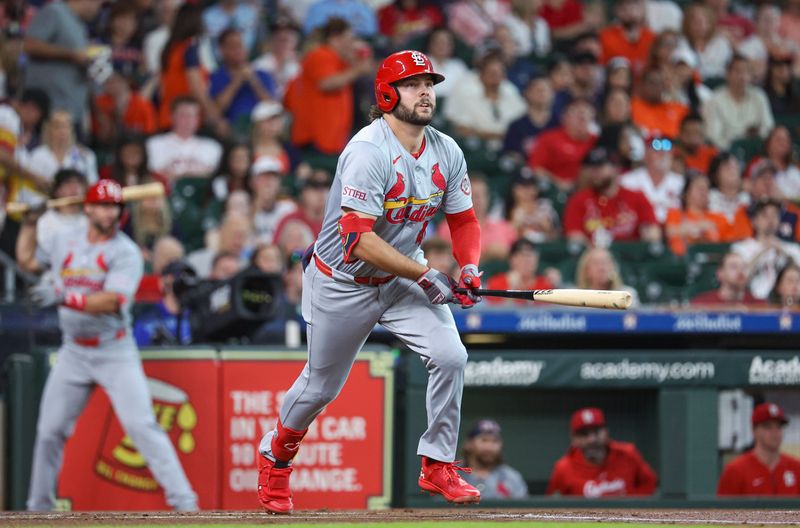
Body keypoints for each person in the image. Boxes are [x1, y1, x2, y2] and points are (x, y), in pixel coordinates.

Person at [256, 50, 484, 514]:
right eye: (413, 83)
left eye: (429, 83)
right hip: (342, 280)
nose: (425, 91)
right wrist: (425, 273)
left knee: (450, 355)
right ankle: (275, 455)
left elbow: (464, 221)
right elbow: (358, 241)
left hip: (401, 278)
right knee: (321, 387)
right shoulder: (367, 150)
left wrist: (470, 268)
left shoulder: (446, 150)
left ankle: (437, 463)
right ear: (386, 94)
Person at [16, 179, 198, 511]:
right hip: (74, 350)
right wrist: (30, 223)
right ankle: (38, 508)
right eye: (101, 205)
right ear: (87, 208)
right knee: (49, 430)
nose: (109, 212)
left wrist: (63, 295)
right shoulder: (64, 240)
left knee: (141, 425)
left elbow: (113, 301)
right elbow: (28, 260)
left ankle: (185, 502)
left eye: (114, 206)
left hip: (113, 349)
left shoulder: (125, 251)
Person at [286, 18, 372, 155]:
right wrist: (358, 69)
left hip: (332, 139)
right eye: (348, 38)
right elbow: (326, 83)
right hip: (315, 139)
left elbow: (367, 70)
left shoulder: (338, 60)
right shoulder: (321, 54)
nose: (352, 43)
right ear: (335, 39)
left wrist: (360, 57)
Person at [23, 0, 102, 129]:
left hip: (70, 111)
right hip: (48, 108)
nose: (98, 10)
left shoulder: (79, 25)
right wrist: (71, 55)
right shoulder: (55, 11)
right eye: (98, 4)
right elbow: (30, 45)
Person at [547, 407, 657, 497]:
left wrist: (632, 507)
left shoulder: (628, 454)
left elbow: (649, 482)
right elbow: (552, 505)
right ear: (573, 439)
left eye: (596, 431)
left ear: (607, 432)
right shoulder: (563, 468)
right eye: (584, 434)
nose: (592, 439)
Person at [564, 146, 660, 244]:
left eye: (600, 167)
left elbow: (653, 232)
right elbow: (574, 235)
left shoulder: (636, 197)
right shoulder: (579, 199)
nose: (595, 173)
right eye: (593, 168)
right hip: (594, 255)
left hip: (630, 255)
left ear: (616, 168)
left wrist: (648, 234)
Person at [443, 49, 526, 144]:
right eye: (492, 73)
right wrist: (497, 135)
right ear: (481, 74)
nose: (495, 77)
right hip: (478, 147)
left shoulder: (510, 90)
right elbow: (461, 129)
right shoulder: (466, 91)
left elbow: (524, 119)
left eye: (499, 72)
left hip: (511, 145)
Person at [718, 403, 800, 495]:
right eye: (767, 427)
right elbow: (722, 508)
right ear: (754, 430)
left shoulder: (796, 467)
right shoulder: (736, 470)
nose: (775, 432)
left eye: (779, 427)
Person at [703, 54, 775, 151]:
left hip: (757, 150)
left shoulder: (759, 96)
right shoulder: (714, 100)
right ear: (727, 74)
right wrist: (738, 143)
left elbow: (768, 127)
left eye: (747, 72)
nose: (743, 76)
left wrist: (757, 137)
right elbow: (713, 136)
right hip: (726, 152)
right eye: (738, 71)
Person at [732, 199, 800, 300]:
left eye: (774, 215)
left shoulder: (792, 248)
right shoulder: (741, 248)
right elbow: (738, 278)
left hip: (786, 302)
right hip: (752, 301)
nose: (770, 220)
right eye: (765, 215)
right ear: (754, 220)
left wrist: (784, 253)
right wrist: (763, 251)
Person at [146, 97, 223, 184]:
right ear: (171, 117)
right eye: (183, 115)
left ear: (198, 119)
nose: (188, 120)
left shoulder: (212, 146)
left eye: (192, 115)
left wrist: (178, 175)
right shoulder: (155, 144)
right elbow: (155, 176)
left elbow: (211, 177)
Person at [210, 29, 275, 128]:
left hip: (261, 129)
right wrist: (237, 81)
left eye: (241, 45)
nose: (239, 49)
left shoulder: (262, 74)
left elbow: (272, 107)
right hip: (232, 130)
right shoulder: (216, 76)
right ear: (222, 50)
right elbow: (216, 110)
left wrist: (253, 80)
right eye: (233, 46)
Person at [527, 98, 598, 191]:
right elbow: (535, 168)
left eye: (586, 115)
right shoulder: (549, 138)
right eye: (578, 115)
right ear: (565, 117)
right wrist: (558, 182)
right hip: (554, 191)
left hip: (588, 192)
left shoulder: (596, 141)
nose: (583, 118)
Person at [665, 171, 733, 256]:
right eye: (699, 187)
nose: (703, 192)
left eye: (706, 188)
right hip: (681, 261)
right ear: (686, 192)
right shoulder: (675, 213)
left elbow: (730, 243)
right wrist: (699, 226)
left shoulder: (719, 217)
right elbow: (669, 231)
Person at [620, 134, 685, 224]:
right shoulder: (627, 181)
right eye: (656, 148)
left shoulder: (681, 182)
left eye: (667, 148)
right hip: (639, 233)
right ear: (645, 154)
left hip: (673, 231)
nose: (663, 153)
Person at [461, 419, 528, 499]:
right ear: (469, 444)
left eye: (495, 441)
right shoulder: (453, 475)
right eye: (484, 440)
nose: (489, 447)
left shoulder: (512, 478)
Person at [486, 238, 556, 305]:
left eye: (531, 255)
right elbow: (495, 313)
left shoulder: (545, 284)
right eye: (523, 255)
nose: (528, 260)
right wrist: (511, 289)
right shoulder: (496, 283)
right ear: (512, 259)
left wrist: (556, 286)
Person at [691, 252, 765, 308]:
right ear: (720, 273)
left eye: (744, 267)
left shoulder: (759, 306)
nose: (740, 271)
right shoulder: (703, 304)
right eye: (734, 267)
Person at [599, 0, 655, 72]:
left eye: (635, 4)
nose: (631, 9)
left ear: (643, 8)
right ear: (617, 9)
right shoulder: (604, 37)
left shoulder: (652, 38)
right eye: (626, 4)